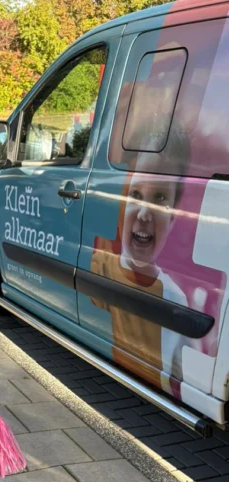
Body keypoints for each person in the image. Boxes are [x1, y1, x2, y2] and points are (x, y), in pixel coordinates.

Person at [90, 143, 189, 390]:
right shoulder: (101, 267)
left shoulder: (176, 298)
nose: (145, 213)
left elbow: (179, 374)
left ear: (173, 217)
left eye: (160, 198)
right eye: (136, 195)